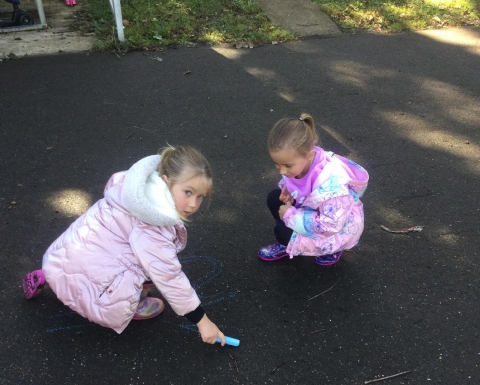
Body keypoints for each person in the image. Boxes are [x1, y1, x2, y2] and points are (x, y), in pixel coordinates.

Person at [22, 146, 226, 345]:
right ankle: (135, 303)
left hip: (63, 256)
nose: (193, 204)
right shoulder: (153, 226)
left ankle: (46, 276)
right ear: (166, 181)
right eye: (188, 192)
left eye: (200, 196)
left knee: (109, 253)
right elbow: (168, 276)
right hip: (91, 272)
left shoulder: (133, 188)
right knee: (151, 267)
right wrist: (202, 321)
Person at [258, 113, 369, 266]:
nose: (282, 171)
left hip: (335, 230)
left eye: (287, 166)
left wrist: (290, 215)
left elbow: (330, 226)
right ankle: (290, 243)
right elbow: (297, 182)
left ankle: (331, 250)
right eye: (277, 165)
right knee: (274, 198)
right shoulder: (298, 161)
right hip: (311, 213)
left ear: (309, 155)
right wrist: (288, 188)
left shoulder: (333, 186)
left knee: (282, 233)